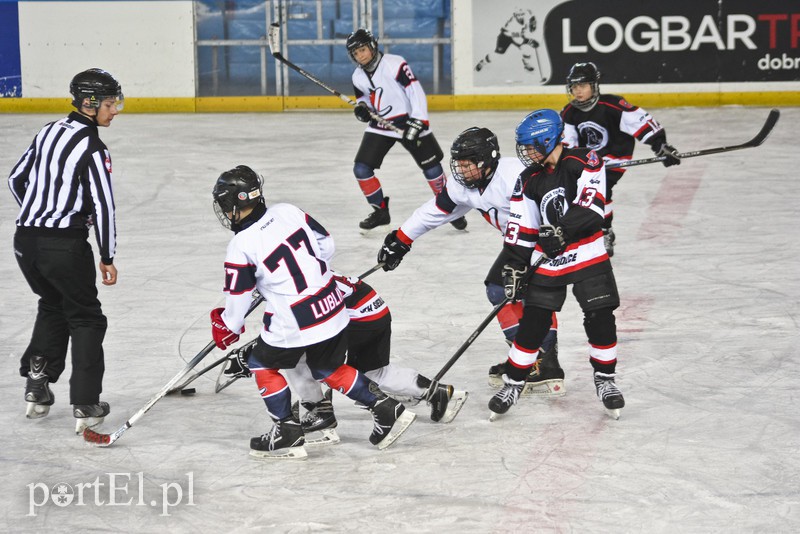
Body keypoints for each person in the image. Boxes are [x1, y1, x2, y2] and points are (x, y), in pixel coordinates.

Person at [209, 165, 416, 459]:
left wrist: (228, 325)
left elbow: (238, 301)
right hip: (332, 306)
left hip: (296, 319)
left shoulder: (240, 245)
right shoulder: (287, 210)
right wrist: (300, 274)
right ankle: (386, 408)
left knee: (260, 364)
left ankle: (286, 433)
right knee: (325, 367)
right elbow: (326, 244)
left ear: (233, 204)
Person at [376, 127, 563, 397]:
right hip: (519, 245)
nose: (462, 170)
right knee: (499, 289)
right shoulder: (465, 185)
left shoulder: (515, 175)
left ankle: (545, 361)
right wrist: (402, 239)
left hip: (547, 243)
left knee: (533, 293)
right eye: (459, 164)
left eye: (468, 164)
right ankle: (532, 357)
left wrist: (551, 239)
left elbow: (553, 203)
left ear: (488, 160)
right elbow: (436, 211)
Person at [8, 68, 124, 434]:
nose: (115, 111)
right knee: (87, 318)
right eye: (109, 104)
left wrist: (38, 213)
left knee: (52, 303)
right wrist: (107, 255)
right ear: (90, 105)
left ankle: (38, 382)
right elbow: (103, 206)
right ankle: (86, 403)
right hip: (64, 247)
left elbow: (15, 179)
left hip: (25, 241)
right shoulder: (92, 147)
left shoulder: (49, 130)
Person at [488, 109, 625, 420]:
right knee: (534, 323)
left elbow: (591, 206)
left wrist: (563, 230)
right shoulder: (528, 180)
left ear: (549, 140)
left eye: (532, 146)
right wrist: (515, 265)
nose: (527, 153)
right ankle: (513, 382)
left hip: (588, 253)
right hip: (550, 260)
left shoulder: (584, 160)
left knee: (600, 316)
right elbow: (522, 229)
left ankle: (605, 380)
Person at [223, 272, 469, 445]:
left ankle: (318, 411)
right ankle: (438, 393)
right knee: (374, 373)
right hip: (375, 309)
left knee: (302, 360)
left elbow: (288, 335)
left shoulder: (285, 289)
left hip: (356, 319)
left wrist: (255, 355)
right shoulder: (300, 268)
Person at [346, 28, 467, 232]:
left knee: (431, 167)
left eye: (363, 49)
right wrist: (363, 110)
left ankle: (449, 207)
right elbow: (364, 100)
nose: (361, 55)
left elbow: (414, 90)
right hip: (381, 125)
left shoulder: (395, 63)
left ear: (373, 46)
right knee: (361, 168)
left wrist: (418, 121)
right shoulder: (357, 76)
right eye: (356, 53)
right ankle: (380, 211)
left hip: (408, 121)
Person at [561, 61, 680, 256]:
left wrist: (660, 145)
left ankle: (605, 231)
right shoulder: (569, 113)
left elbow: (640, 122)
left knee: (601, 187)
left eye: (582, 86)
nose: (578, 91)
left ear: (594, 85)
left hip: (614, 156)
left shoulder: (612, 105)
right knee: (572, 189)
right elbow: (568, 143)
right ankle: (583, 230)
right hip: (588, 161)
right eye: (574, 87)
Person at [474, 8, 541, 75]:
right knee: (497, 55)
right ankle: (483, 62)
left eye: (522, 14)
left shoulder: (526, 14)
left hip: (517, 35)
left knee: (526, 47)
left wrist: (533, 21)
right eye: (518, 15)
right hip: (505, 37)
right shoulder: (512, 23)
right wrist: (529, 41)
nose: (520, 16)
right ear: (515, 15)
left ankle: (526, 64)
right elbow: (517, 38)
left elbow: (531, 14)